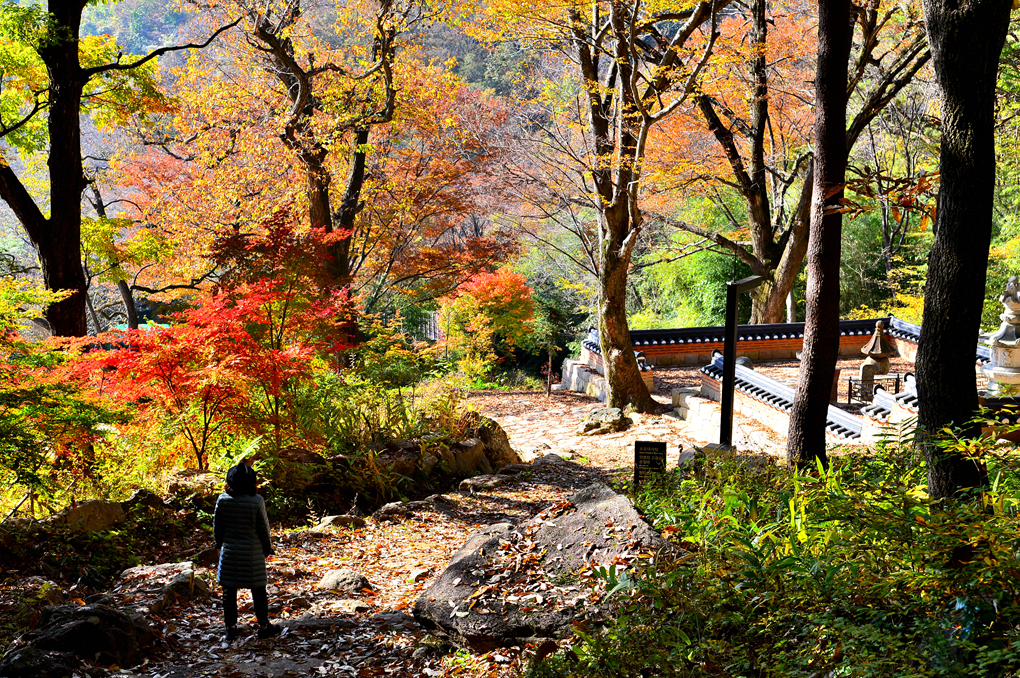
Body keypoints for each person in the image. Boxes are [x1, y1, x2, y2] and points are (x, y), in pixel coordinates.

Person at [214, 462, 281, 641]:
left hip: (229, 551)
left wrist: (219, 544)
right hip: (253, 552)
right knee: (258, 590)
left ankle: (230, 629)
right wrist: (267, 548)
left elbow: (218, 527)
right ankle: (264, 627)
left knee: (229, 591)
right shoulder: (257, 501)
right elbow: (263, 528)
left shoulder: (223, 500)